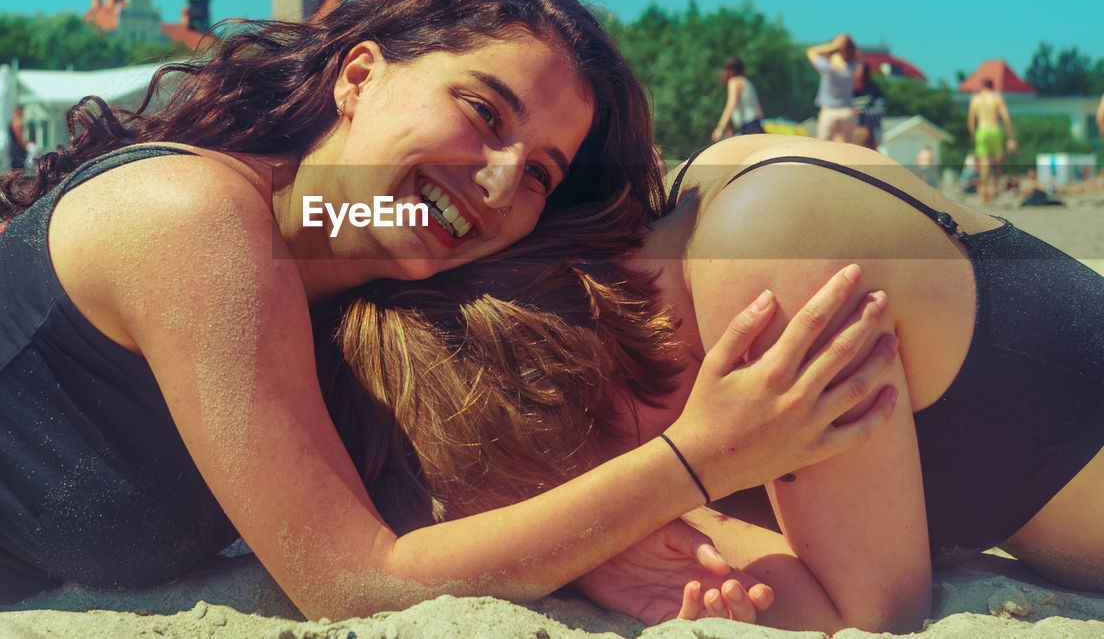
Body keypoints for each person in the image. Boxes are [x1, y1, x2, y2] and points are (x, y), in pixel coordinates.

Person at [0, 0, 898, 620]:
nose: (494, 184)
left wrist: (628, 542)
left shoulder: (357, 291)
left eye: (538, 175)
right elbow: (355, 583)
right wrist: (694, 459)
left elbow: (461, 525)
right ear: (358, 74)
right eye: (481, 111)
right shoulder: (193, 223)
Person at [337, 132, 1104, 633]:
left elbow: (875, 614)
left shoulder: (762, 264)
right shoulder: (705, 192)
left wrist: (641, 525)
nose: (628, 475)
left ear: (581, 384)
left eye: (600, 462)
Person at [967, 78, 1017, 203]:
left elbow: (971, 120)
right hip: (995, 129)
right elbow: (1006, 117)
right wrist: (1011, 137)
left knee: (984, 162)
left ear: (982, 86)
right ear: (993, 86)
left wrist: (973, 134)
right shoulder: (997, 98)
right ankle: (994, 189)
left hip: (982, 130)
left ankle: (984, 192)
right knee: (998, 161)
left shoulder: (975, 99)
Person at [806, 34, 859, 143]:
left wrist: (832, 46)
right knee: (849, 149)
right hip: (847, 112)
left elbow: (811, 52)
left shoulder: (827, 67)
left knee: (824, 147)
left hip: (828, 112)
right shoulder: (853, 67)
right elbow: (857, 57)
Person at [711, 57, 764, 141]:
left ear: (730, 70)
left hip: (747, 127)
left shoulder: (734, 82)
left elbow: (731, 105)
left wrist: (720, 128)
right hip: (755, 126)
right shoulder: (747, 83)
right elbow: (760, 112)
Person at [850, 62, 886, 150]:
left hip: (871, 135)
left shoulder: (874, 90)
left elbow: (881, 112)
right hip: (850, 134)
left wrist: (861, 112)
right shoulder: (846, 91)